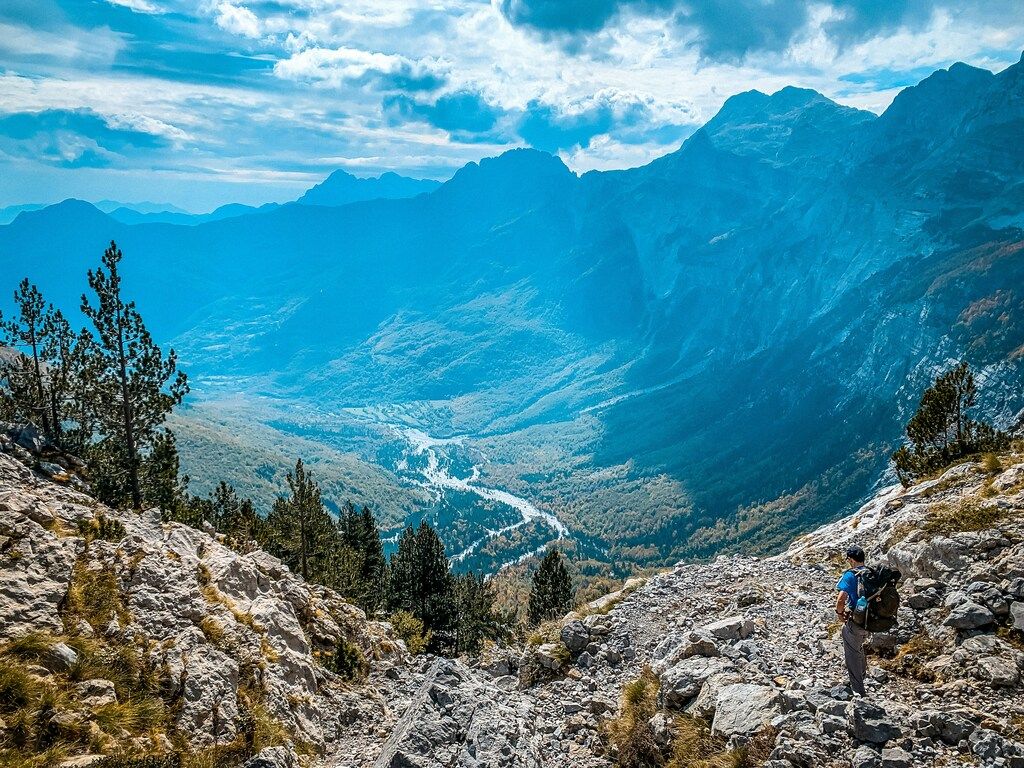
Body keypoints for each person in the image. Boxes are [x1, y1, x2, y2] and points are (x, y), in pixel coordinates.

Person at [835, 545, 869, 696]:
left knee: (851, 653)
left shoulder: (850, 575)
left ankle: (858, 690)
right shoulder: (871, 573)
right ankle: (862, 673)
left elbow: (841, 599)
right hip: (873, 620)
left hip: (857, 619)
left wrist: (840, 614)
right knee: (858, 645)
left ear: (851, 560)